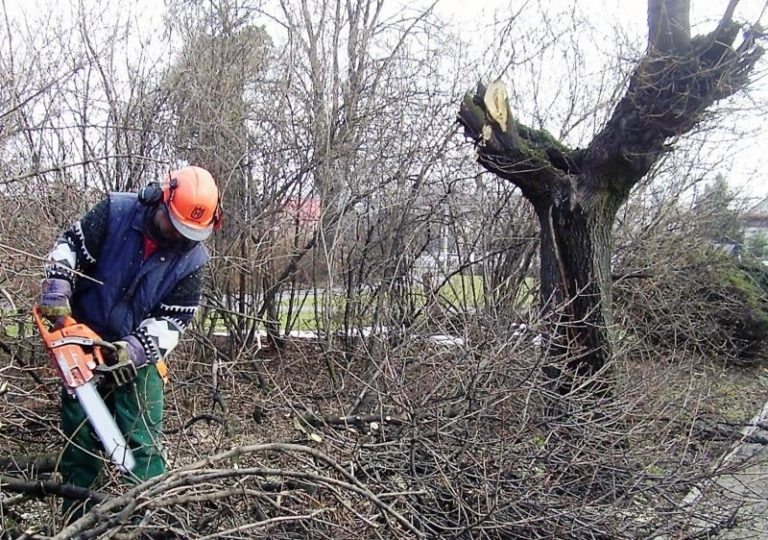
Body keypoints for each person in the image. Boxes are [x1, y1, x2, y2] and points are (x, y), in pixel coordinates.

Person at [37, 165, 222, 517]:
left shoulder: (192, 260)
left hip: (138, 350)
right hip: (83, 336)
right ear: (159, 199)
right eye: (176, 226)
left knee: (143, 444)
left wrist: (134, 351)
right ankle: (76, 517)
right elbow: (69, 248)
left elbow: (173, 319)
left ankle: (148, 519)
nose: (181, 238)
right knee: (80, 439)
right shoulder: (116, 212)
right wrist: (58, 285)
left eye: (191, 233)